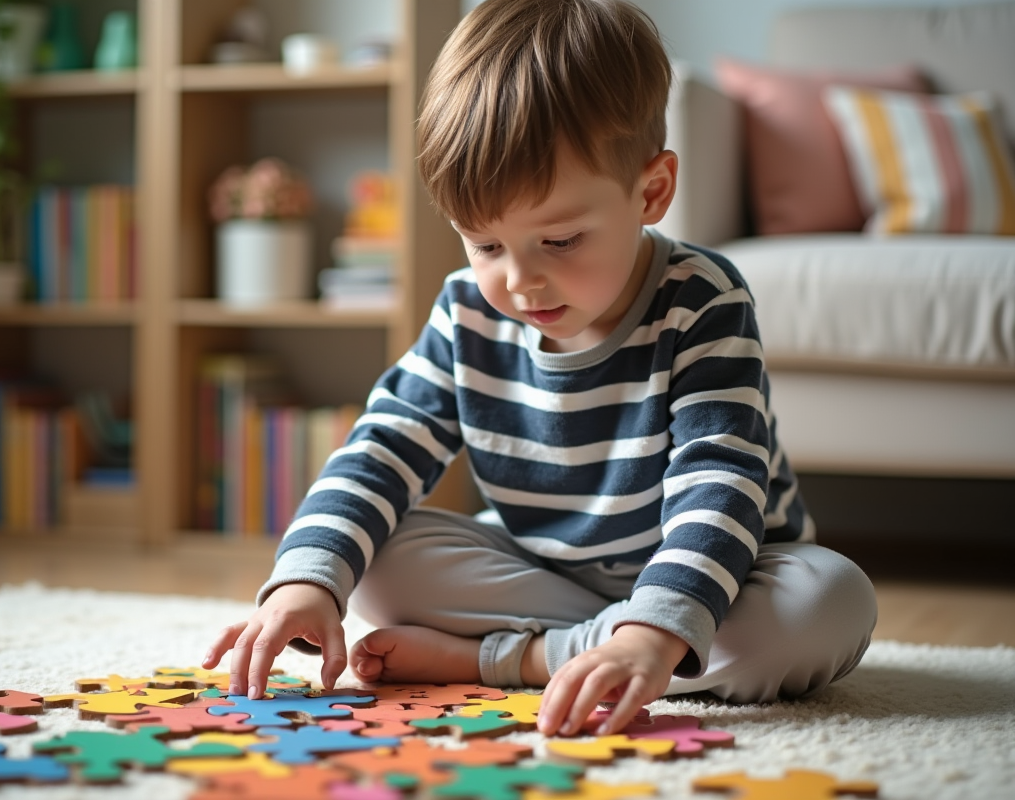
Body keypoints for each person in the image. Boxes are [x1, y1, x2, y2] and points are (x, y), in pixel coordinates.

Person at [204, 0, 877, 738]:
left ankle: (516, 660)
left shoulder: (701, 299)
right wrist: (305, 581)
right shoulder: (467, 312)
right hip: (548, 573)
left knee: (830, 603)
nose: (520, 282)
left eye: (559, 240)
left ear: (651, 191)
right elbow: (384, 446)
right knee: (375, 561)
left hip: (728, 575)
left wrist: (655, 632)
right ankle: (600, 647)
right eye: (486, 245)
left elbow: (720, 479)